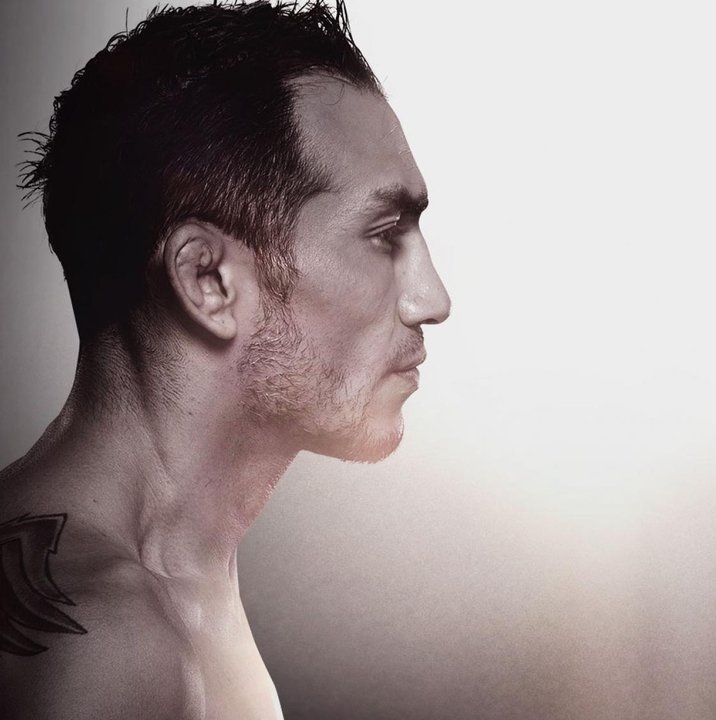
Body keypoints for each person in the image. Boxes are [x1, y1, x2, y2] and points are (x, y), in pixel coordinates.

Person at [0, 1, 449, 717]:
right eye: (383, 233)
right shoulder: (103, 647)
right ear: (207, 280)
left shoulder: (177, 583)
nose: (432, 300)